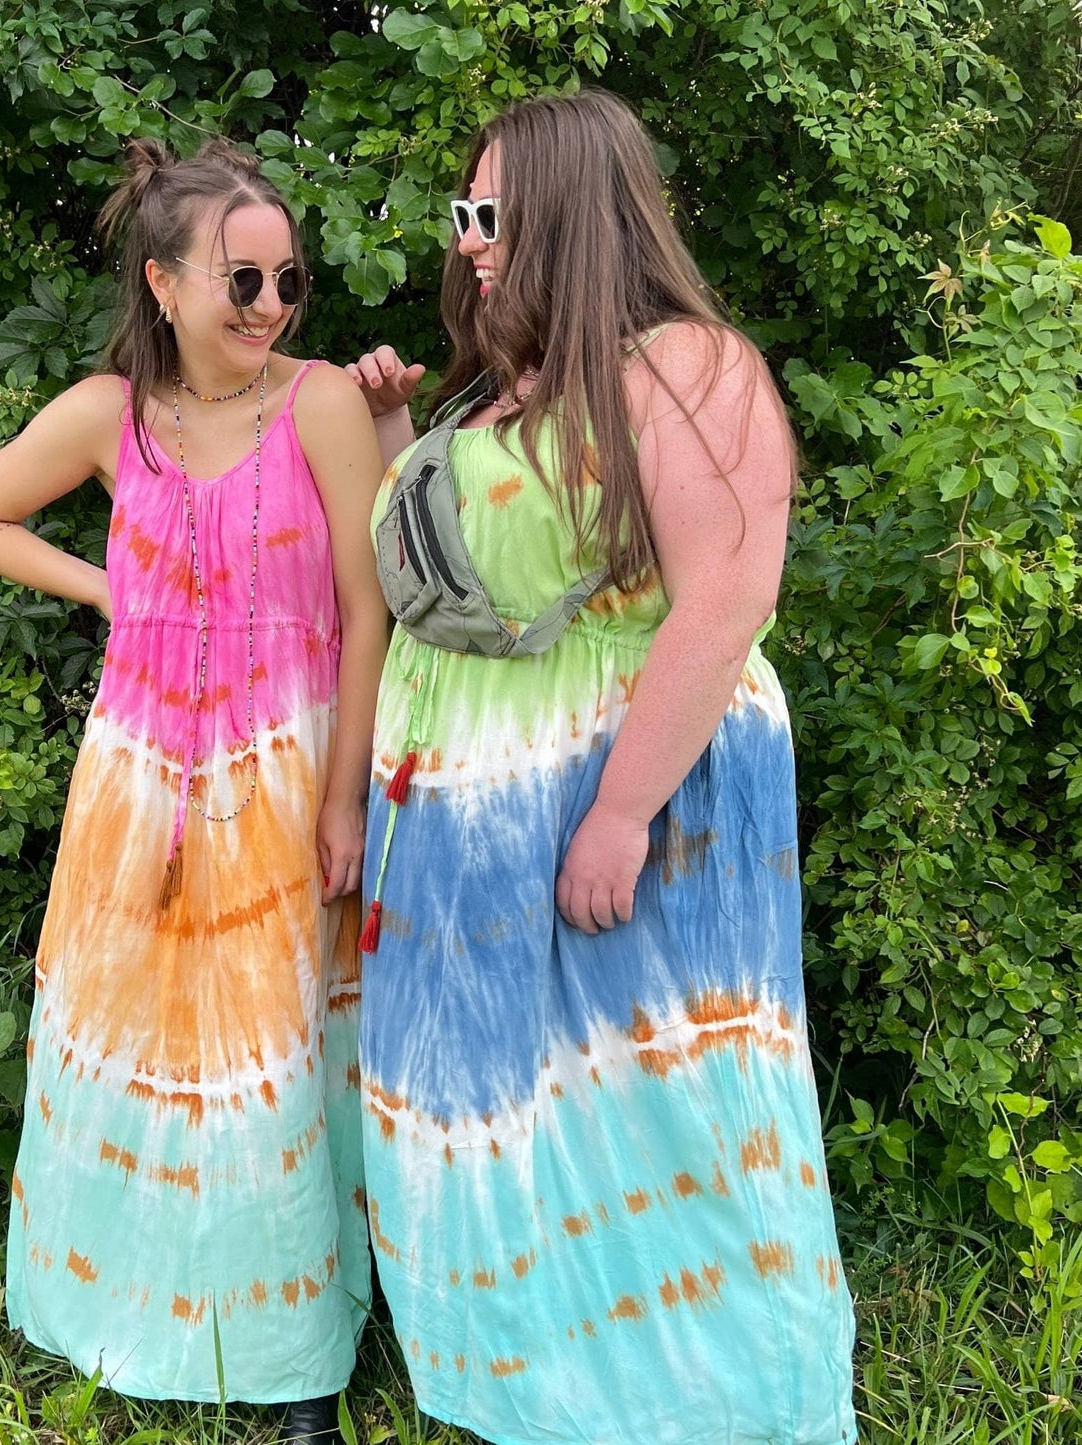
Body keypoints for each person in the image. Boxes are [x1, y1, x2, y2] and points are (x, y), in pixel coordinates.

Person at [345, 90, 857, 1445]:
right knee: (515, 1102)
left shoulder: (689, 366)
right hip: (467, 819)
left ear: (573, 210)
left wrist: (619, 814)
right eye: (462, 216)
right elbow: (461, 586)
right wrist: (405, 438)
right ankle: (532, 1378)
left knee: (654, 1103)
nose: (466, 243)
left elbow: (723, 598)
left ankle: (704, 1403)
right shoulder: (508, 383)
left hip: (618, 799)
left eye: (489, 214)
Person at [0, 137, 387, 1444]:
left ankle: (295, 1355)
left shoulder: (319, 407)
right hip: (137, 780)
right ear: (164, 282)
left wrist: (345, 795)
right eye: (238, 281)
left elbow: (367, 615)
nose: (267, 305)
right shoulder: (104, 416)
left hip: (283, 773)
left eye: (286, 280)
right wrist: (108, 590)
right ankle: (115, 1315)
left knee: (277, 1060)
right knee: (134, 1041)